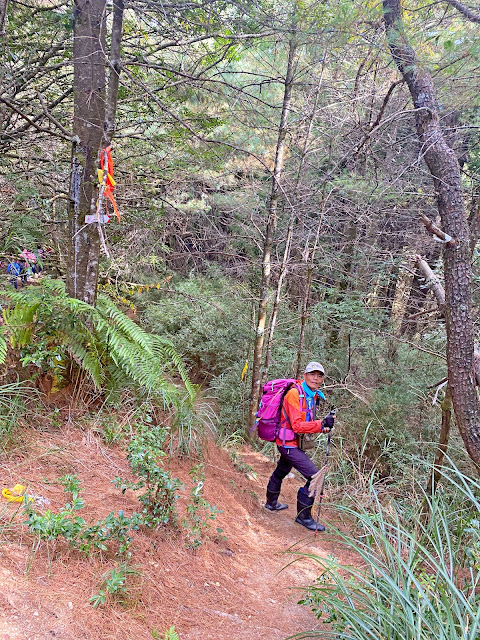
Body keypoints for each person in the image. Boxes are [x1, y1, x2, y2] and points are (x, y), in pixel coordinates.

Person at [265, 361, 335, 532]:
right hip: (288, 444)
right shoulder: (294, 395)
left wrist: (324, 426)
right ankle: (303, 517)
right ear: (305, 375)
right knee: (314, 476)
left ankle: (271, 503)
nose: (316, 378)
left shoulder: (312, 395)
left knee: (281, 471)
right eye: (312, 374)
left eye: (319, 376)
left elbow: (307, 422)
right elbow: (297, 425)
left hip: (293, 443)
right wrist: (320, 424)